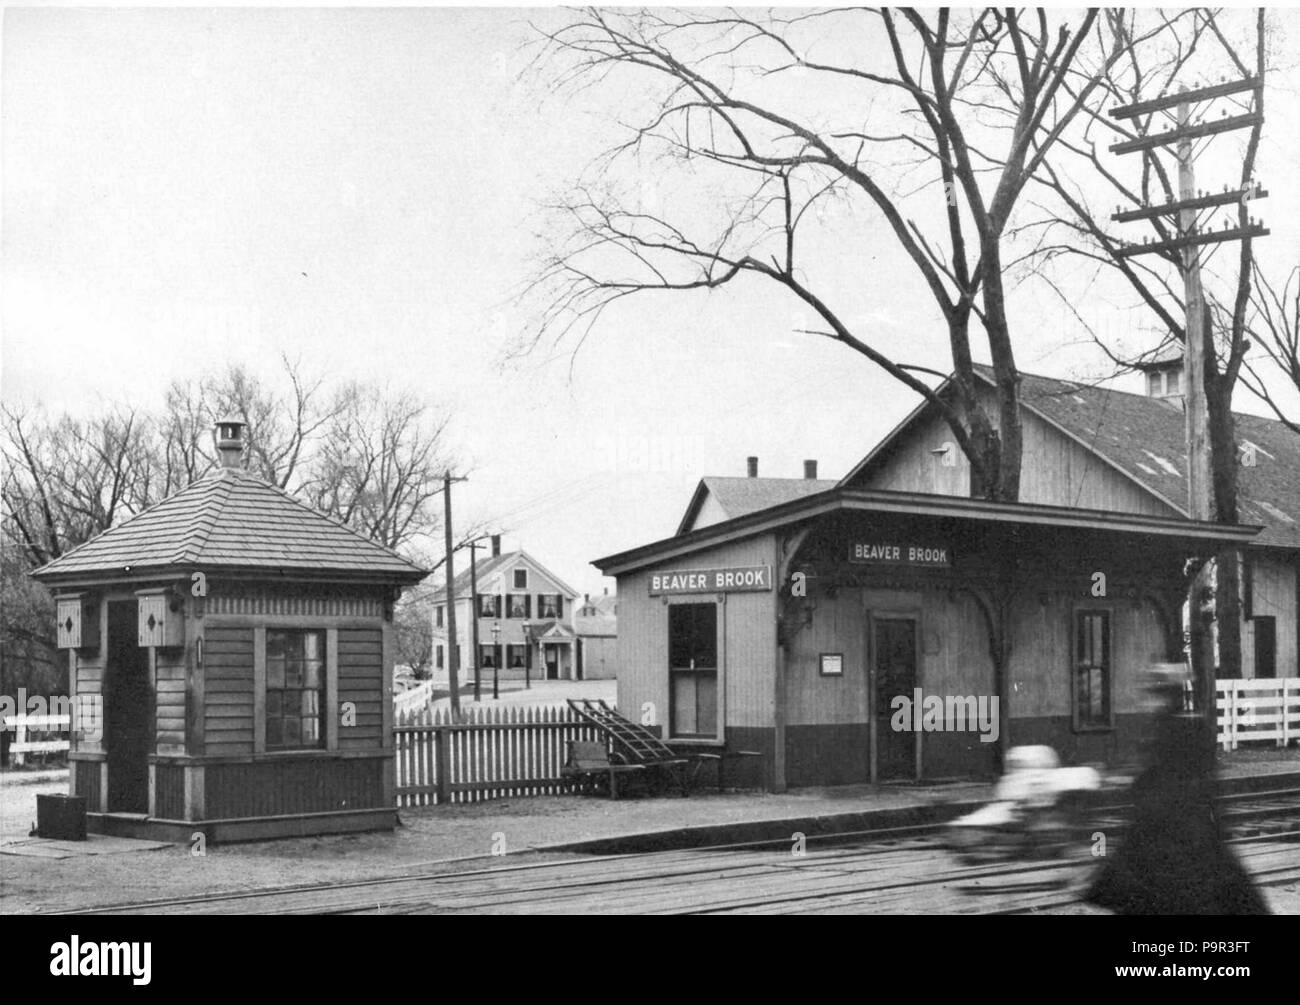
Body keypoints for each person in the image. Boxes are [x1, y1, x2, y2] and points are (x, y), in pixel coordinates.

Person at [1085, 666, 1268, 915]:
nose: (1147, 702)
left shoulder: (1178, 729)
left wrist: (1136, 784)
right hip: (1177, 827)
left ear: (1167, 697)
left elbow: (1180, 778)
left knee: (1167, 893)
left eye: (1154, 695)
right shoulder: (1177, 727)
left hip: (1174, 828)